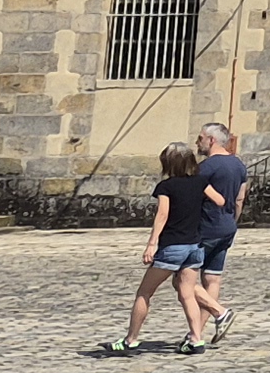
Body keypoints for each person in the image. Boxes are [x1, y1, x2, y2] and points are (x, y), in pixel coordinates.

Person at [103, 142, 226, 357]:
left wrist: (152, 243)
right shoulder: (200, 182)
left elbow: (162, 215)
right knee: (187, 293)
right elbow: (220, 200)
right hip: (194, 246)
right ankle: (196, 339)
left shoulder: (166, 187)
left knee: (144, 292)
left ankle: (131, 340)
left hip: (173, 246)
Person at [191, 123, 251, 340]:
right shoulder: (239, 166)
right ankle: (196, 331)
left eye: (200, 138)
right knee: (212, 278)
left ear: (212, 140)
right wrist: (233, 221)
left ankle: (220, 313)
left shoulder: (206, 168)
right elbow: (239, 199)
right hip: (226, 227)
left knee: (182, 278)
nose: (197, 143)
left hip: (205, 227)